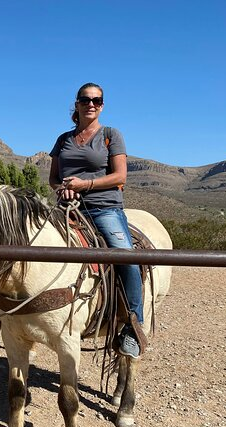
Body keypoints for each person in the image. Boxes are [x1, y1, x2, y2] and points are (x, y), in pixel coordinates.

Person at [48, 82, 143, 359]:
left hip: (104, 208)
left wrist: (83, 184)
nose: (91, 104)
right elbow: (53, 178)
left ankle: (134, 326)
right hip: (66, 207)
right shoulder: (63, 139)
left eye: (97, 100)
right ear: (76, 104)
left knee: (126, 255)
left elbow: (120, 177)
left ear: (102, 105)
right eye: (86, 99)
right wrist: (61, 188)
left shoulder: (111, 135)